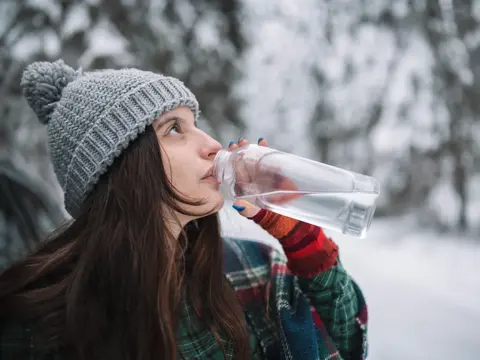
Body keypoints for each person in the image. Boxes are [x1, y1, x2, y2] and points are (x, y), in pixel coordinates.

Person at [0, 60, 368, 360]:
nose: (210, 143)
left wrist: (302, 240)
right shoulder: (33, 323)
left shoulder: (252, 271)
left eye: (196, 124)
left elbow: (348, 344)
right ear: (121, 167)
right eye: (174, 129)